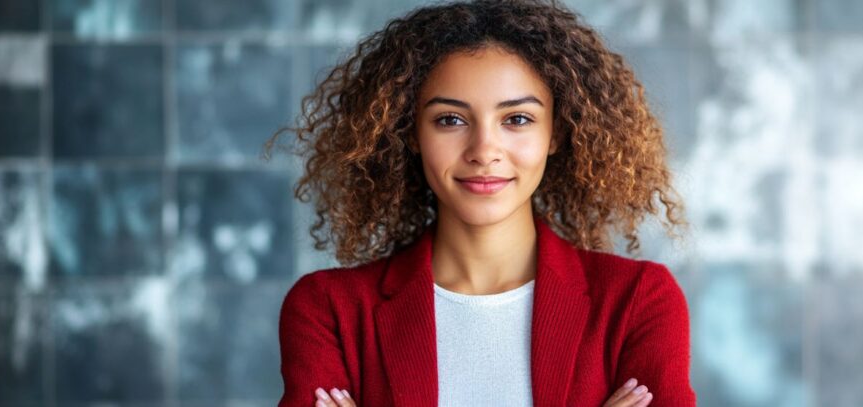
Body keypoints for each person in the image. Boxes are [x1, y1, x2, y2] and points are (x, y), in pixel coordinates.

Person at [267, 0, 695, 405]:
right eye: (450, 120)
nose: (484, 150)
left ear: (557, 133)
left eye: (517, 119)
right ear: (410, 133)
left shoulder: (639, 301)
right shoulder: (327, 310)